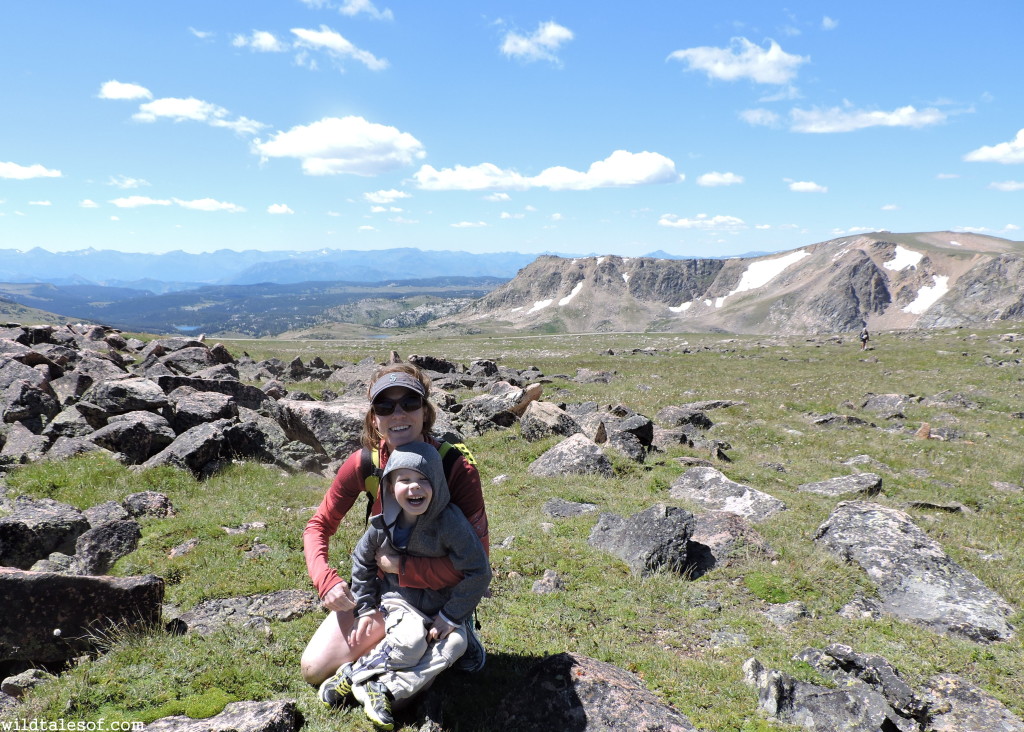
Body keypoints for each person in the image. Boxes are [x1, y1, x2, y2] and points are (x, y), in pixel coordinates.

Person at [301, 363, 489, 688]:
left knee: (410, 686)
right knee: (314, 669)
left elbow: (477, 564)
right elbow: (318, 526)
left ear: (425, 411)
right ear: (374, 418)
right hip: (380, 592)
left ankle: (458, 627)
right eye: (385, 406)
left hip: (438, 596)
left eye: (409, 403)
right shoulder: (365, 463)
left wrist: (401, 567)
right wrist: (326, 580)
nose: (398, 414)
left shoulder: (455, 467)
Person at [318, 441, 492, 729]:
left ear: (437, 483)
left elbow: (479, 571)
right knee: (410, 642)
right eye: (405, 479)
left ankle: (382, 688)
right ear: (390, 486)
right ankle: (352, 675)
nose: (415, 488)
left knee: (456, 644)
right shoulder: (383, 522)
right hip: (400, 601)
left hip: (441, 607)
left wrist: (450, 616)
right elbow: (362, 560)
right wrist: (366, 605)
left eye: (424, 479)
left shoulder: (450, 522)